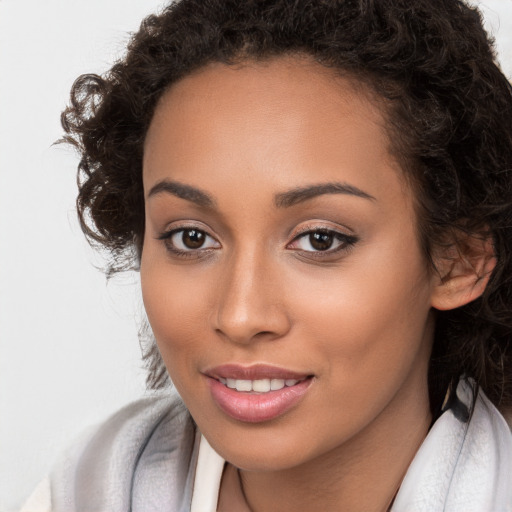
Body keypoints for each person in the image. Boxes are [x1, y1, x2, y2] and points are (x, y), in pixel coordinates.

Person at [22, 0, 512, 510]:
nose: (240, 316)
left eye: (319, 239)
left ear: (458, 259)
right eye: (191, 237)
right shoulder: (85, 490)